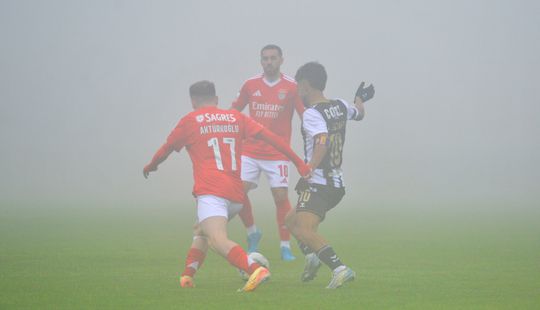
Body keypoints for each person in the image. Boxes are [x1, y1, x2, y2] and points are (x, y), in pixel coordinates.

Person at [143, 81, 310, 292]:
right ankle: (187, 275)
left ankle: (255, 270)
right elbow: (272, 138)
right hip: (236, 196)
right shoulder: (236, 117)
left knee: (216, 239)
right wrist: (298, 162)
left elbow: (166, 149)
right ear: (216, 99)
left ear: (193, 101)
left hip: (211, 193)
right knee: (201, 230)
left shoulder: (190, 120)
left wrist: (152, 165)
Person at [285, 62, 375, 289]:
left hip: (319, 182)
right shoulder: (340, 105)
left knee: (305, 229)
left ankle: (340, 269)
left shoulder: (312, 114)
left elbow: (321, 142)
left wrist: (309, 168)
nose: (297, 91)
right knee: (290, 221)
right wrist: (359, 98)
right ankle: (312, 256)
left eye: (298, 86)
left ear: (305, 86)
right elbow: (359, 113)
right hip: (336, 183)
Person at [231, 44, 304, 260]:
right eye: (265, 59)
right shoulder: (250, 85)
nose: (269, 62)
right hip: (250, 150)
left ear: (282, 60)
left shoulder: (292, 87)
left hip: (278, 153)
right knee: (238, 193)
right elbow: (234, 112)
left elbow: (304, 116)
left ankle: (285, 246)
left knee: (281, 197)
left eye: (273, 58)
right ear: (261, 61)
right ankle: (253, 233)